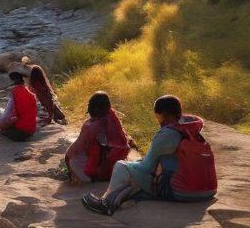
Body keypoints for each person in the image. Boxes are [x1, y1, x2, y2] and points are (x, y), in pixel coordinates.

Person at [82, 95, 217, 216]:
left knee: (122, 166)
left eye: (158, 117)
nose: (158, 121)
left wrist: (131, 165)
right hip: (208, 190)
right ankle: (116, 199)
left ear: (164, 115)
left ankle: (106, 203)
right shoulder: (192, 129)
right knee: (140, 179)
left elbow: (146, 167)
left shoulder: (167, 134)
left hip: (182, 191)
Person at [64, 91, 135, 183]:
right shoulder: (112, 119)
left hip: (98, 172)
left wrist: (67, 161)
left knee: (73, 160)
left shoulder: (92, 126)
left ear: (94, 110)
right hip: (114, 169)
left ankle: (87, 178)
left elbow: (75, 148)